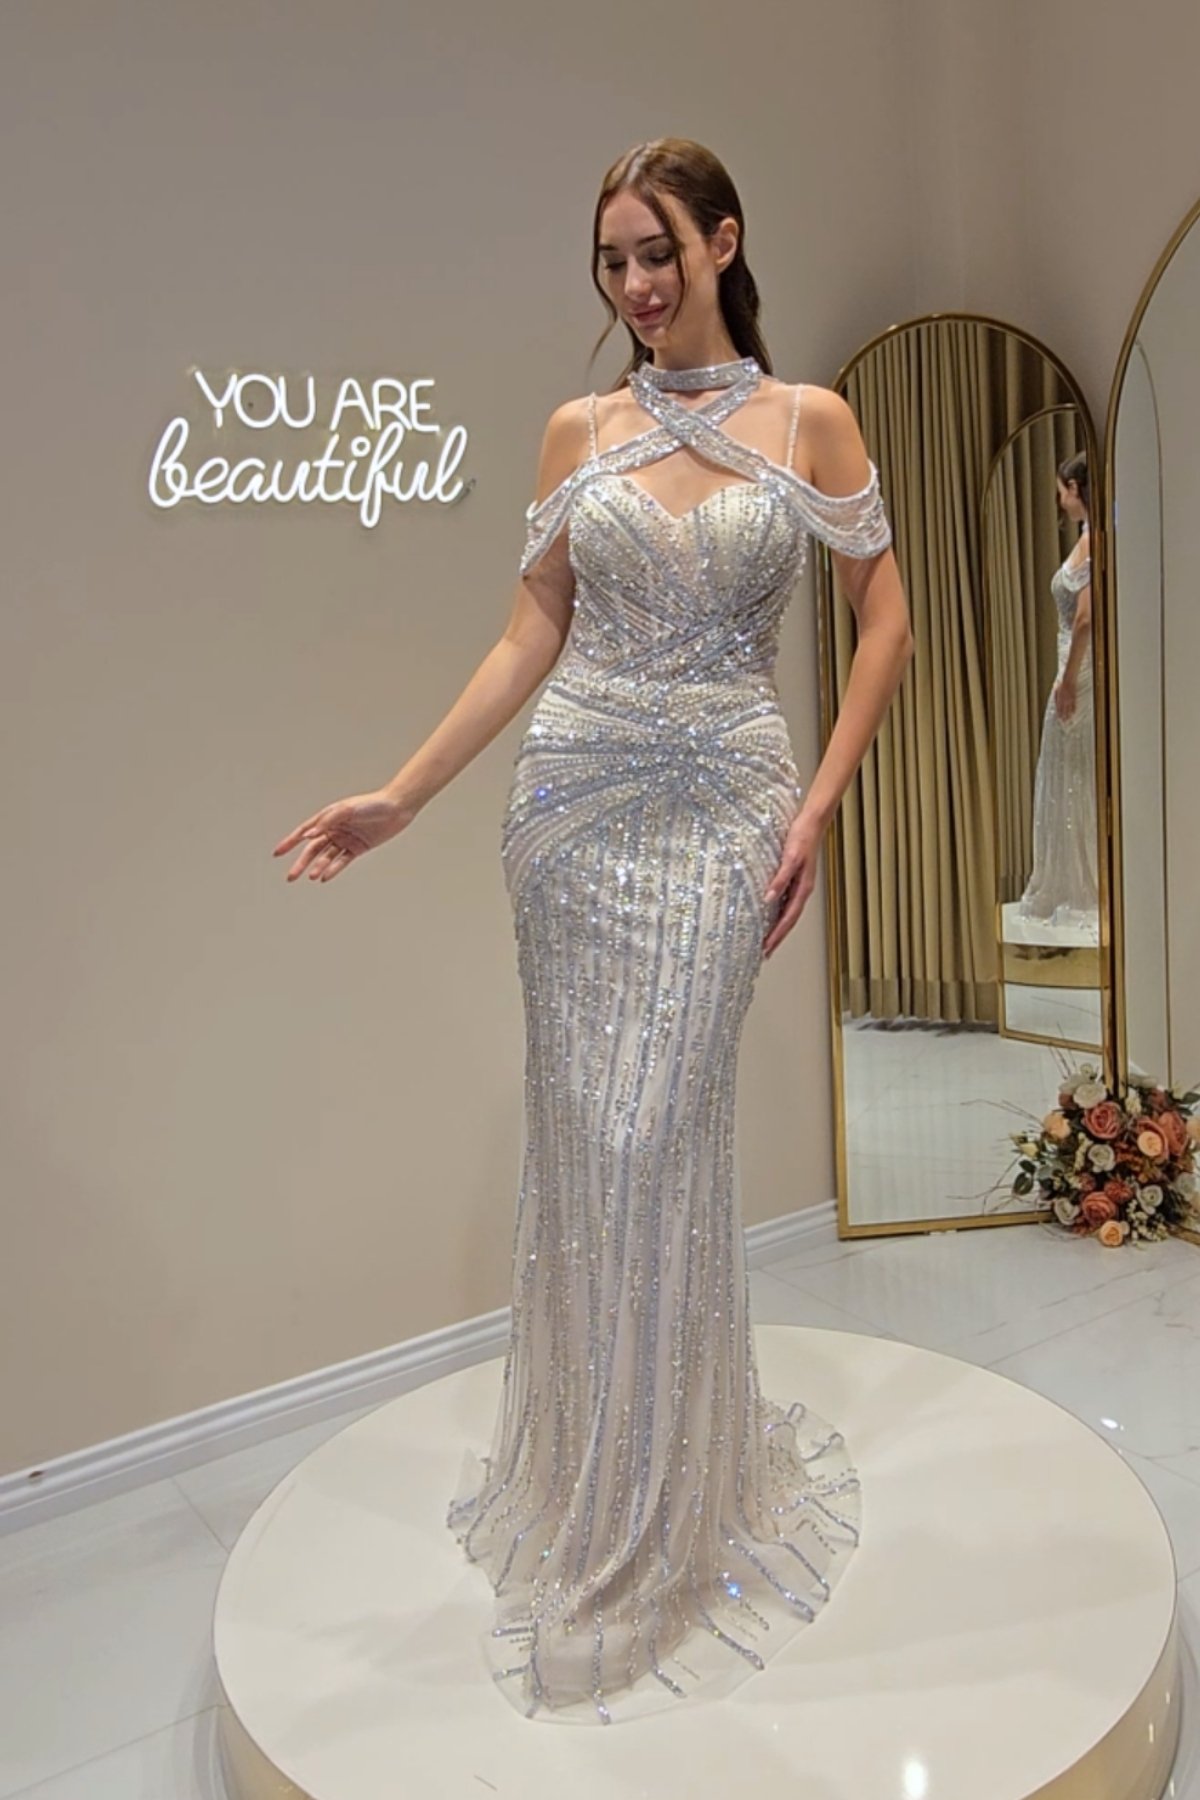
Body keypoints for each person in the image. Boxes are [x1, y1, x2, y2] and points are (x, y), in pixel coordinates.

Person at [272, 137, 913, 1724]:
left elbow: (885, 617)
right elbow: (532, 629)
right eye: (612, 260)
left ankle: (668, 1518)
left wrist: (821, 804)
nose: (634, 284)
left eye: (656, 252)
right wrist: (404, 794)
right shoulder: (584, 430)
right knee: (590, 1143)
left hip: (729, 808)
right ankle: (594, 1500)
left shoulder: (809, 419)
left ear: (723, 243)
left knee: (654, 1139)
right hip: (574, 811)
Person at [1017, 455, 1097, 935]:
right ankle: (1070, 883)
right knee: (1069, 769)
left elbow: (1085, 619)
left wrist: (1067, 680)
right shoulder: (1090, 538)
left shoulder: (1093, 542)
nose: (1059, 500)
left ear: (1074, 487)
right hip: (1074, 663)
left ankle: (1080, 887)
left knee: (1071, 771)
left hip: (1079, 670)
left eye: (1061, 491)